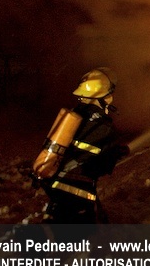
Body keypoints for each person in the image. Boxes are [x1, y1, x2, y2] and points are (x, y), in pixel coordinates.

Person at [32, 67, 129, 223]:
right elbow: (101, 165)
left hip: (57, 183)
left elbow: (82, 150)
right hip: (75, 190)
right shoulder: (102, 125)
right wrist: (116, 153)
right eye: (109, 94)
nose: (111, 98)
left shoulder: (77, 115)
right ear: (101, 97)